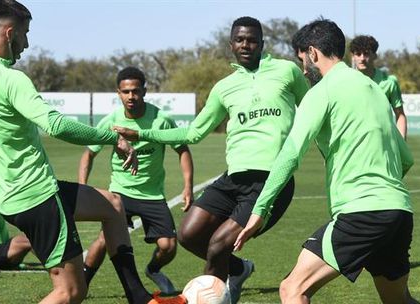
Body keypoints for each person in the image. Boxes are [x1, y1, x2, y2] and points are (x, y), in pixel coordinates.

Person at [0, 1, 184, 303]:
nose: (27, 44)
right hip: (35, 195)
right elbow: (56, 126)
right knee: (70, 291)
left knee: (113, 205)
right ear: (9, 32)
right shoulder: (11, 78)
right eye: (26, 34)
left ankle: (138, 296)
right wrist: (112, 137)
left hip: (12, 195)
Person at [113, 16, 310, 304]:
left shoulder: (287, 71)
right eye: (240, 39)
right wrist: (142, 133)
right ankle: (238, 269)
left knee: (218, 245)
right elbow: (194, 132)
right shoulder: (224, 88)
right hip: (234, 177)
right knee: (189, 234)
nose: (246, 44)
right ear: (231, 44)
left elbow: (312, 108)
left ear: (262, 43)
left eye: (252, 39)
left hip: (271, 180)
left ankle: (218, 297)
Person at [235, 19, 419, 304]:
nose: (303, 70)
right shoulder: (374, 91)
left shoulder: (322, 91)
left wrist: (260, 209)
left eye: (302, 61)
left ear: (312, 52)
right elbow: (405, 159)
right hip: (398, 211)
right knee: (399, 301)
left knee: (292, 289)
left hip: (361, 214)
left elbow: (290, 154)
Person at [79, 67, 194, 295]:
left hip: (152, 194)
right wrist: (83, 186)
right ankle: (82, 283)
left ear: (145, 91)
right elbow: (88, 154)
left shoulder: (161, 120)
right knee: (104, 240)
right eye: (126, 92)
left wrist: (188, 187)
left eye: (136, 91)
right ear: (118, 93)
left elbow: (183, 150)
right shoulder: (111, 121)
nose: (131, 96)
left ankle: (153, 269)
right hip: (120, 192)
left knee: (168, 246)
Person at [350, 35, 408, 139]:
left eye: (366, 54)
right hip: (355, 142)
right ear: (353, 57)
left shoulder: (389, 82)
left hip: (383, 142)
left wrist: (402, 142)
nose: (362, 58)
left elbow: (400, 115)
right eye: (358, 54)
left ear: (375, 55)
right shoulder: (347, 82)